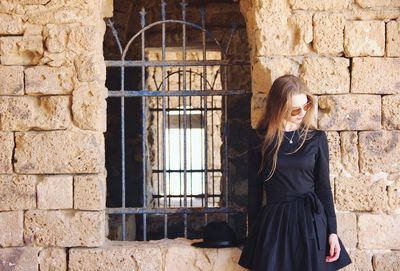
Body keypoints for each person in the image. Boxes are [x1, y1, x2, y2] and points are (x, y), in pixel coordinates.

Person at [238, 75, 352, 271]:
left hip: (311, 222)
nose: (302, 113)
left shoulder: (315, 138)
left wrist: (332, 232)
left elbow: (323, 188)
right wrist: (254, 235)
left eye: (306, 106)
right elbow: (255, 190)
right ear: (279, 107)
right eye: (295, 109)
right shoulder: (259, 139)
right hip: (275, 224)